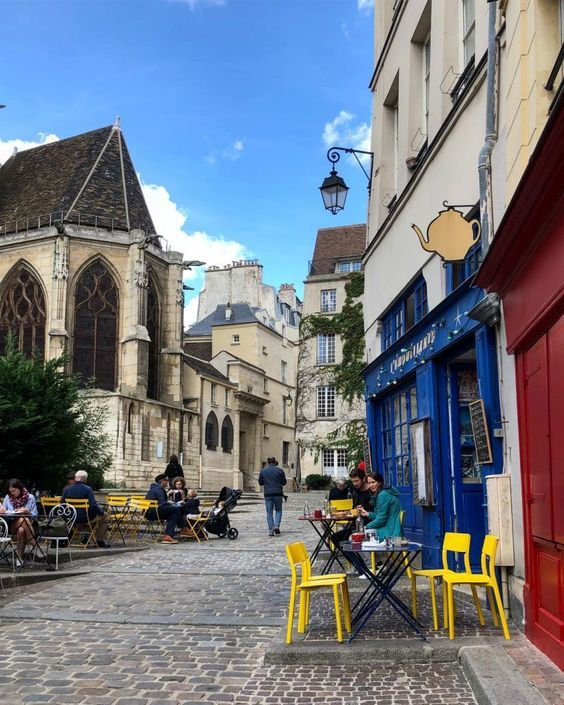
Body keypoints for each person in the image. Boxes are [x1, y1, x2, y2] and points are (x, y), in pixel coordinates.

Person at [61, 471, 110, 548]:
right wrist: (100, 511)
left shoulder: (67, 489)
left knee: (92, 517)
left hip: (71, 518)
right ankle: (99, 540)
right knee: (105, 516)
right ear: (84, 479)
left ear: (76, 478)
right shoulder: (88, 489)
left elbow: (62, 504)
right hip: (84, 518)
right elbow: (93, 506)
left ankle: (88, 538)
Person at [0, 479, 38, 566]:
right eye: (10, 491)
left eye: (14, 491)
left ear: (20, 488)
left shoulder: (30, 497)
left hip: (27, 526)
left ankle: (19, 558)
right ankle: (35, 546)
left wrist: (27, 512)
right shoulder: (7, 497)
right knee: (23, 520)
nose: (12, 493)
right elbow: (4, 512)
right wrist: (2, 511)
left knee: (22, 528)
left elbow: (36, 516)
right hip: (10, 525)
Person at [332, 468, 372, 545]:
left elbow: (372, 512)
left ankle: (357, 556)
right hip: (355, 525)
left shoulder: (370, 492)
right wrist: (344, 515)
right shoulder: (355, 491)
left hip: (367, 526)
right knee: (334, 538)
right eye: (353, 481)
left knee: (351, 541)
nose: (355, 483)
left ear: (363, 479)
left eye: (357, 481)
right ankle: (353, 557)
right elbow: (354, 510)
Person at [358, 471, 402, 539]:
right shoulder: (383, 492)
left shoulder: (383, 495)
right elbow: (381, 516)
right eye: (369, 483)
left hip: (390, 532)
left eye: (373, 482)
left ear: (379, 482)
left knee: (359, 537)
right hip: (391, 527)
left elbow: (381, 520)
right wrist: (368, 514)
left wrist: (366, 527)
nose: (371, 485)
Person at [146, 473, 187, 543]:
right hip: (154, 512)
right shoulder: (159, 489)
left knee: (173, 515)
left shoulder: (154, 488)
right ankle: (183, 528)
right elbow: (163, 504)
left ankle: (168, 536)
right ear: (162, 481)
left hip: (150, 512)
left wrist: (170, 504)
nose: (168, 482)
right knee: (176, 509)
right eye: (167, 480)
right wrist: (171, 504)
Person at [258, 457, 286, 537]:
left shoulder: (263, 471)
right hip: (278, 493)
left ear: (268, 462)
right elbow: (284, 482)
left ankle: (271, 530)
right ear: (275, 462)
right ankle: (277, 525)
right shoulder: (280, 470)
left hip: (268, 494)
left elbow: (260, 483)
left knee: (269, 513)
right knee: (278, 510)